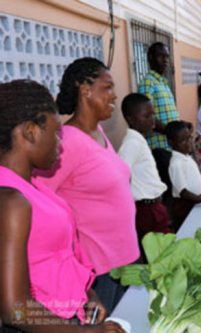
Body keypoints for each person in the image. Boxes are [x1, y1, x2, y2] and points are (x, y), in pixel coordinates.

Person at [0, 80, 124, 333]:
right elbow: (16, 310)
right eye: (56, 132)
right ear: (31, 131)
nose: (61, 142)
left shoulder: (33, 186)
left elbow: (55, 258)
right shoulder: (11, 201)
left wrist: (88, 295)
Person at [35, 58, 139, 315]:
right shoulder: (67, 141)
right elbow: (37, 201)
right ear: (85, 90)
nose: (115, 95)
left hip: (124, 260)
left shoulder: (98, 133)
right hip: (97, 272)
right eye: (108, 87)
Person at [118, 93, 172, 249]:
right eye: (146, 116)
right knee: (161, 252)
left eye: (153, 114)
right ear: (131, 119)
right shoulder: (131, 143)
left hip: (154, 206)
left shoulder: (139, 140)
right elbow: (121, 175)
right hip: (147, 209)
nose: (152, 120)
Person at [138, 42, 178, 151]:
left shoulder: (163, 83)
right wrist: (172, 132)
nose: (165, 60)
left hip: (171, 144)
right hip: (159, 146)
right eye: (161, 56)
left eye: (167, 57)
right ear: (151, 58)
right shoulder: (147, 83)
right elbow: (147, 117)